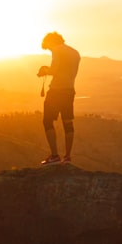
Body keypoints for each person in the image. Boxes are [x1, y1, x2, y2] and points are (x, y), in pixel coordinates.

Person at [36, 32, 80, 165]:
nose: (50, 50)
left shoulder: (57, 49)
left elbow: (54, 70)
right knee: (67, 122)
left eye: (48, 47)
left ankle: (54, 156)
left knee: (47, 121)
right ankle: (67, 157)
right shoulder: (75, 52)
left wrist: (44, 70)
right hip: (69, 90)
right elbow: (66, 70)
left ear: (50, 42)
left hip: (56, 91)